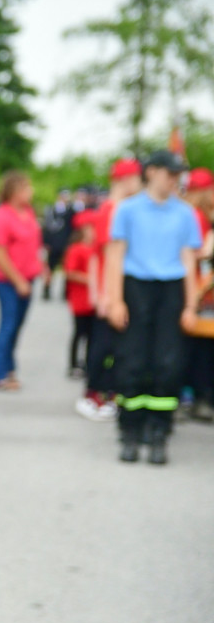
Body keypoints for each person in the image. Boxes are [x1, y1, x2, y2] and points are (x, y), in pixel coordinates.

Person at [106, 150, 202, 464]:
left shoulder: (185, 214)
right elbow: (115, 256)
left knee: (168, 363)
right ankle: (130, 432)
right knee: (132, 361)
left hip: (171, 292)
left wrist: (190, 305)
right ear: (152, 172)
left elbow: (189, 261)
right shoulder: (128, 210)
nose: (174, 179)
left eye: (177, 174)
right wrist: (115, 299)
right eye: (169, 173)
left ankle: (159, 432)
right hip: (136, 288)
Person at [76, 158, 143, 421]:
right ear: (126, 179)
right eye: (137, 178)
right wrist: (102, 294)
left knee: (115, 346)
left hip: (121, 289)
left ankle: (109, 392)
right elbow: (101, 256)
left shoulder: (124, 209)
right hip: (112, 290)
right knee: (103, 345)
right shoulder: (111, 210)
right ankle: (93, 393)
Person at [0, 171, 43, 391]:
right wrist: (18, 280)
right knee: (7, 325)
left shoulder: (28, 212)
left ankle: (9, 370)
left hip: (28, 278)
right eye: (27, 187)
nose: (31, 192)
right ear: (15, 190)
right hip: (9, 281)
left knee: (17, 326)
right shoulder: (2, 216)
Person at [180, 167, 214, 421]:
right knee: (199, 348)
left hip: (194, 289)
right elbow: (197, 254)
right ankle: (196, 397)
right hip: (198, 291)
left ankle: (191, 394)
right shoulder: (196, 217)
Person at [64, 212, 97, 380]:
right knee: (79, 333)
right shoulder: (76, 249)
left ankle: (88, 363)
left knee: (92, 334)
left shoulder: (95, 248)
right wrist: (89, 279)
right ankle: (73, 364)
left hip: (93, 301)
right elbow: (70, 272)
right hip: (79, 299)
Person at [41, 187, 73, 300]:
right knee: (50, 269)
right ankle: (46, 289)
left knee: (67, 269)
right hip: (53, 245)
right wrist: (46, 243)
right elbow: (46, 228)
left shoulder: (71, 211)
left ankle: (66, 291)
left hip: (65, 244)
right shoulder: (51, 210)